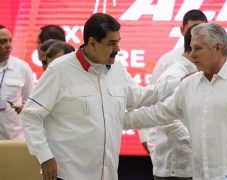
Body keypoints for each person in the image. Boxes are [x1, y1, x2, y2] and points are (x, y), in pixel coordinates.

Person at [20, 13, 180, 180]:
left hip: (107, 174)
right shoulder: (58, 70)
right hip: (68, 174)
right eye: (111, 43)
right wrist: (44, 156)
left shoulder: (117, 70)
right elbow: (30, 115)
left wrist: (180, 83)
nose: (117, 49)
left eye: (118, 42)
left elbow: (140, 97)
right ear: (92, 43)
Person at [125, 23, 227, 180]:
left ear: (217, 48)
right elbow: (159, 113)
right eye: (190, 48)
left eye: (197, 48)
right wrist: (115, 119)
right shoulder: (189, 84)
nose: (191, 54)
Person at [138, 8, 207, 155]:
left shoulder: (222, 61)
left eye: (202, 29)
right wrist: (146, 139)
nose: (197, 34)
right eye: (193, 29)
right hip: (176, 152)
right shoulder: (168, 63)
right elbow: (153, 101)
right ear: (183, 30)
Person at [146, 25, 198, 180]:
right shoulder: (173, 75)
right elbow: (165, 118)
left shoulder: (195, 73)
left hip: (190, 165)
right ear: (194, 48)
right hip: (176, 167)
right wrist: (194, 142)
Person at [0, 25, 34, 140]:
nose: (9, 46)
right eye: (3, 42)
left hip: (14, 140)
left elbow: (30, 102)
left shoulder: (22, 68)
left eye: (10, 40)